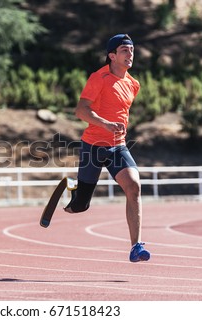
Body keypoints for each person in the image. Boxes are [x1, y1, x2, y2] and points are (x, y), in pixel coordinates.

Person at [64, 34, 150, 263]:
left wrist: (116, 130)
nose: (129, 53)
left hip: (117, 147)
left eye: (131, 49)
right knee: (80, 206)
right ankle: (75, 194)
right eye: (124, 50)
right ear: (112, 55)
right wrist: (105, 124)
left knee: (134, 187)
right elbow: (81, 111)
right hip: (93, 146)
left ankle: (136, 246)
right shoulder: (99, 77)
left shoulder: (133, 84)